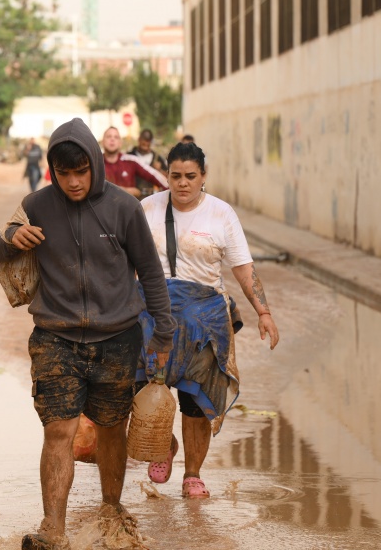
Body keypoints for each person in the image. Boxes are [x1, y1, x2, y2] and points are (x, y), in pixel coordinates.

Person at [0, 118, 174, 550]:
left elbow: (149, 272)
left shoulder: (124, 208)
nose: (73, 182)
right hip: (55, 337)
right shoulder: (36, 204)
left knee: (111, 428)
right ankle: (53, 529)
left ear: (94, 163)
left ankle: (111, 511)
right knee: (59, 431)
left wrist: (162, 332)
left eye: (81, 171)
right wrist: (14, 237)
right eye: (63, 173)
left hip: (117, 338)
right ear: (52, 170)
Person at [134, 141, 279, 499]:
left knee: (195, 400)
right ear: (166, 174)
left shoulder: (221, 214)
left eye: (191, 176)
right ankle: (163, 445)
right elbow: (121, 264)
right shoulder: (145, 209)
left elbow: (243, 268)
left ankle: (193, 475)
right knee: (142, 388)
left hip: (204, 322)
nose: (182, 183)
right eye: (175, 176)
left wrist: (264, 312)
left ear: (204, 176)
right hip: (151, 316)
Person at [101, 126, 166, 198]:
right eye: (108, 136)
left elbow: (157, 177)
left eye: (116, 137)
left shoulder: (131, 160)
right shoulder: (95, 163)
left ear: (120, 143)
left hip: (128, 207)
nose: (112, 139)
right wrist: (124, 191)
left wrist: (171, 191)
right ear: (102, 141)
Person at [127, 129, 167, 198]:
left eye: (148, 140)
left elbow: (167, 178)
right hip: (133, 197)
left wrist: (159, 170)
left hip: (153, 196)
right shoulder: (129, 157)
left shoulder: (157, 158)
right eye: (144, 140)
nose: (145, 143)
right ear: (139, 139)